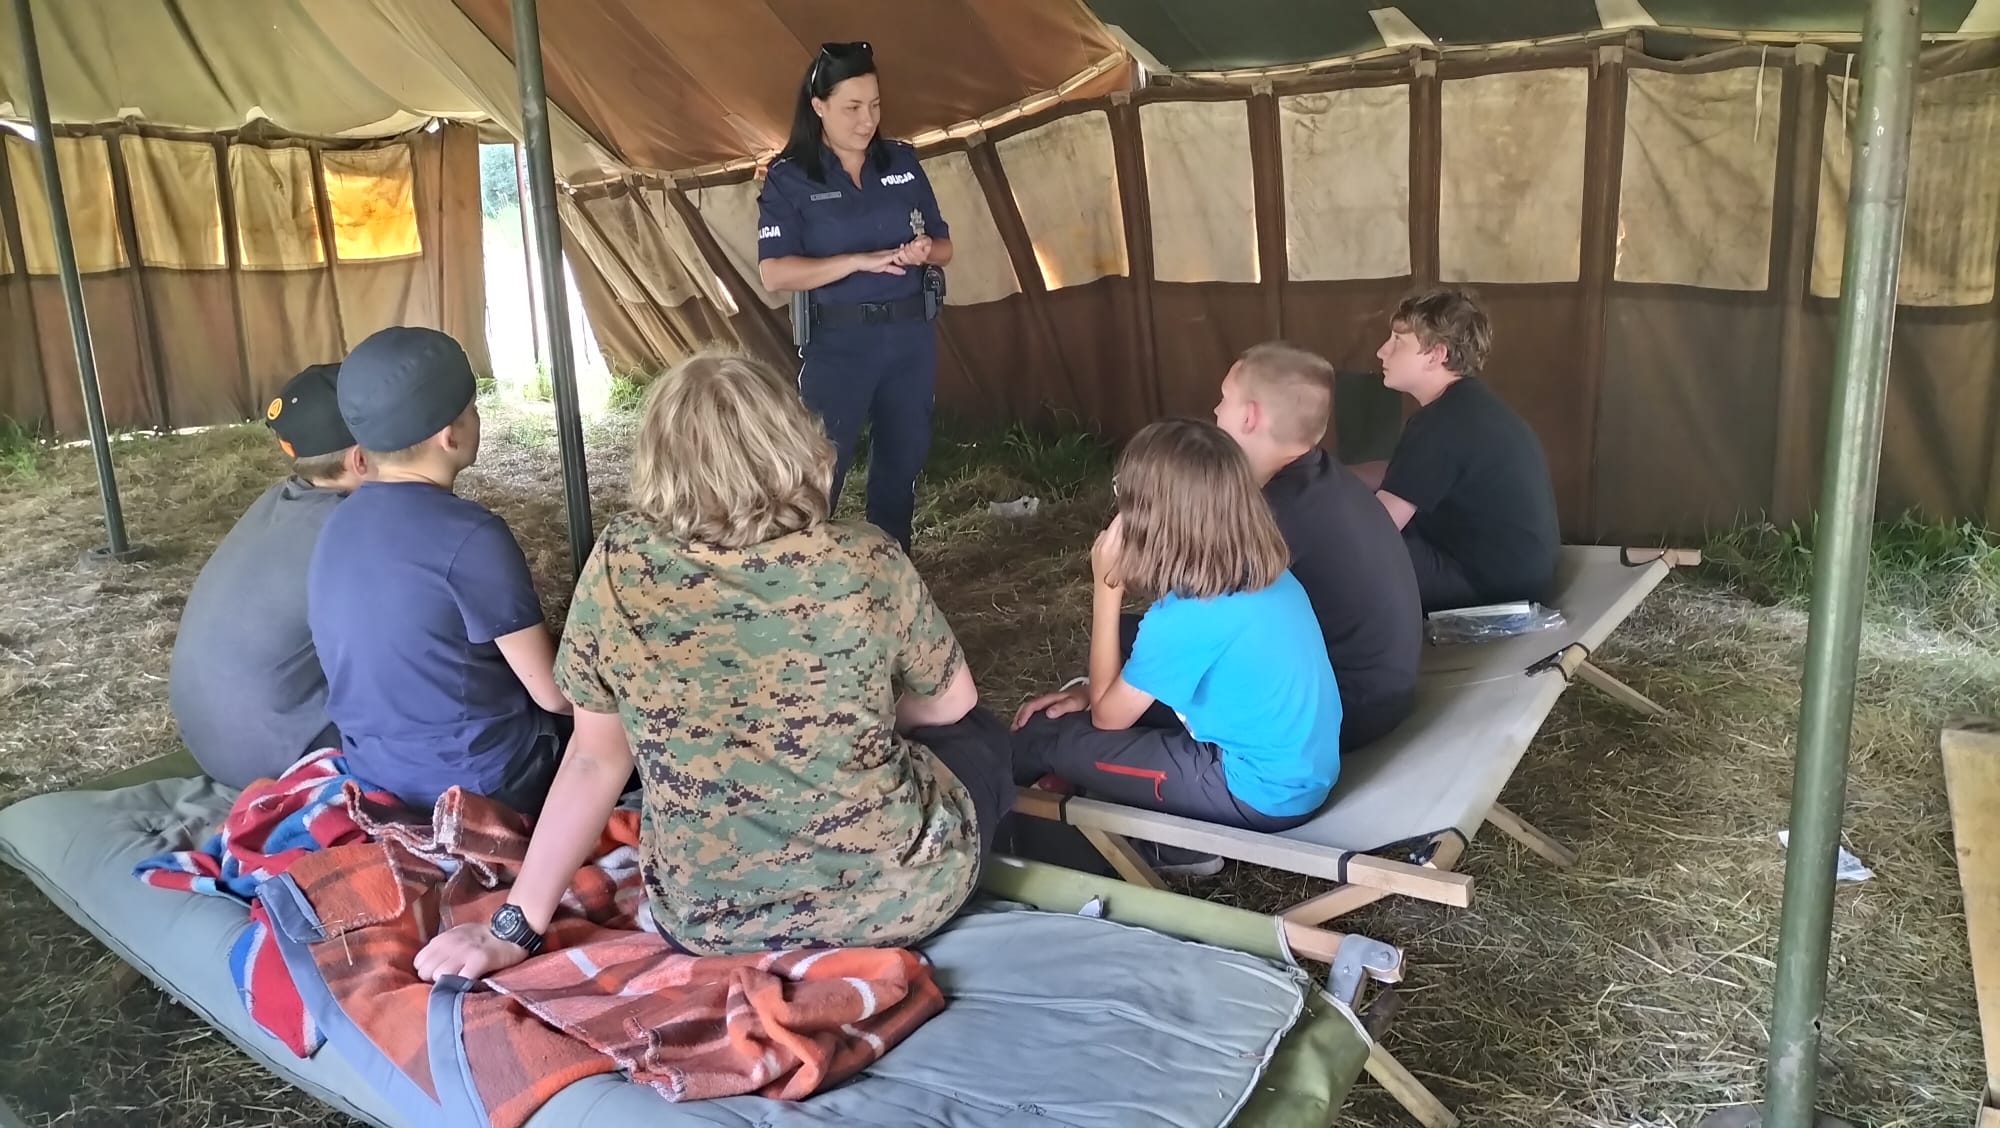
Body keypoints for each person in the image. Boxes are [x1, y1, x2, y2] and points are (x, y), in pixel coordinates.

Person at [412, 353, 1014, 977]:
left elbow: (595, 757)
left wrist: (516, 925)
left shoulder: (620, 565)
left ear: (658, 464)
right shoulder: (867, 558)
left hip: (708, 921)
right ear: (796, 442)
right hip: (897, 905)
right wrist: (864, 722)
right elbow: (953, 702)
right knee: (979, 735)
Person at [1011, 420, 1343, 849]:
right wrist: (1088, 691)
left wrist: (1106, 588)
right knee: (1119, 650)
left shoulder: (1186, 617)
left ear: (1150, 518)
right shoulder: (1266, 572)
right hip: (1300, 767)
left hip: (1255, 793)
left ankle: (980, 823)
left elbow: (1107, 720)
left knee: (1047, 736)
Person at [306, 327, 572, 815]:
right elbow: (555, 696)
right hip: (480, 784)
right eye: (472, 409)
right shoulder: (471, 537)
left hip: (376, 772)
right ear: (450, 435)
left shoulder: (336, 523)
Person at [757, 40, 953, 554]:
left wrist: (925, 251)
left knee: (901, 465)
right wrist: (857, 261)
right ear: (818, 106)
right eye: (852, 107)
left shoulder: (901, 162)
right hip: (839, 344)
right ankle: (805, 574)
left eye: (875, 105)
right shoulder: (790, 177)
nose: (868, 120)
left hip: (909, 338)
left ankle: (891, 571)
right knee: (821, 470)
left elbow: (945, 246)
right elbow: (774, 272)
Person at [1211, 342, 1422, 752]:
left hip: (1342, 710)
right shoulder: (1325, 479)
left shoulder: (1277, 515)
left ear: (1250, 416)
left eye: (1224, 399)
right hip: (1381, 689)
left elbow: (1204, 624)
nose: (1216, 411)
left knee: (1141, 681)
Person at [169, 363, 363, 789]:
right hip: (284, 762)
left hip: (212, 743)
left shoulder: (276, 501)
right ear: (362, 458)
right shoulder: (354, 530)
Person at [1361, 287, 1561, 613]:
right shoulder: (1468, 406)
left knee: (1346, 554)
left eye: (1398, 341)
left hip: (1490, 588)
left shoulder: (1439, 425)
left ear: (1436, 354)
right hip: (1521, 575)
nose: (1382, 351)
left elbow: (1375, 529)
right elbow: (1404, 476)